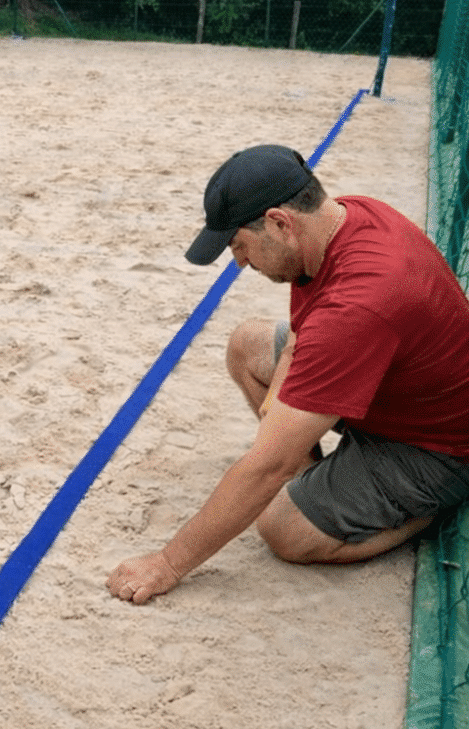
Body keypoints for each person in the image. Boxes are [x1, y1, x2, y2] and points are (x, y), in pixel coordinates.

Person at [106, 144, 469, 605]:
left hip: (433, 447)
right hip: (386, 391)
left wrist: (168, 563)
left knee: (282, 529)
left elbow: (268, 466)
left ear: (280, 223)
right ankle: (320, 474)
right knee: (247, 345)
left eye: (239, 245)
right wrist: (280, 399)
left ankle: (427, 513)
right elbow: (302, 337)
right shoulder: (345, 217)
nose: (239, 262)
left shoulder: (358, 306)